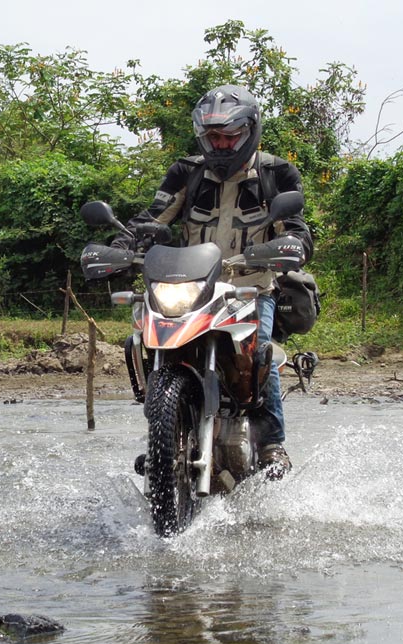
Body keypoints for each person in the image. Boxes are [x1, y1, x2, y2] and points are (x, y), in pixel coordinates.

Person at [112, 84, 313, 479]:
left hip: (249, 288)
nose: (220, 145)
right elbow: (151, 218)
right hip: (189, 289)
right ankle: (162, 438)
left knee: (262, 356)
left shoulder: (277, 173)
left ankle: (272, 444)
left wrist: (291, 244)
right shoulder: (187, 172)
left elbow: (298, 228)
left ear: (249, 131)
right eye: (213, 137)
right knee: (150, 346)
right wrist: (121, 245)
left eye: (228, 136)